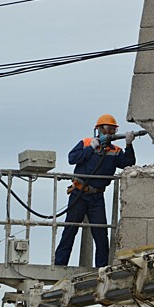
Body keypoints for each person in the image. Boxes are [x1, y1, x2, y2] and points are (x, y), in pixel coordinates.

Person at [55, 114, 136, 268]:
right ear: (99, 129)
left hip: (97, 197)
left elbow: (128, 163)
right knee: (70, 230)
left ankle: (102, 267)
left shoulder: (115, 150)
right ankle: (60, 264)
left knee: (100, 234)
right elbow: (72, 158)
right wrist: (91, 148)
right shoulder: (86, 143)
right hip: (79, 193)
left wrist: (129, 145)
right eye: (108, 129)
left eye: (113, 130)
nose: (111, 133)